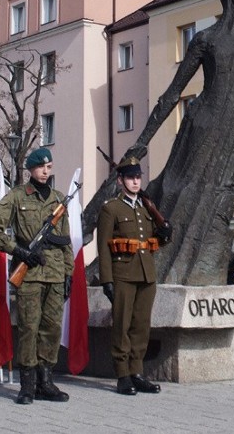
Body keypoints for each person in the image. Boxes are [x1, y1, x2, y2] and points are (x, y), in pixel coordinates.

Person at [0, 147, 73, 405]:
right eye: (40, 167)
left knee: (52, 329)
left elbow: (66, 241)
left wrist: (69, 273)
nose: (45, 171)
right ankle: (27, 385)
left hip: (55, 274)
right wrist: (19, 251)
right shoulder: (16, 197)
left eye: (49, 167)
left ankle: (46, 382)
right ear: (31, 169)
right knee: (28, 329)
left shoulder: (58, 200)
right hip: (30, 275)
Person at [97, 156, 172, 396]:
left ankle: (137, 373)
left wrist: (165, 232)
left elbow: (154, 242)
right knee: (122, 325)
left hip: (146, 273)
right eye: (130, 178)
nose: (135, 181)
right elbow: (104, 248)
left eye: (138, 177)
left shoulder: (146, 207)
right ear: (121, 181)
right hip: (123, 274)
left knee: (141, 326)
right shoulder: (111, 208)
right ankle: (122, 375)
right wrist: (107, 280)